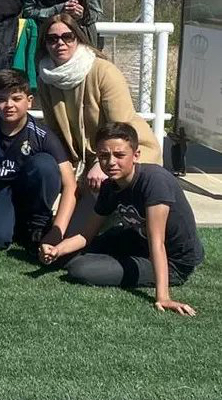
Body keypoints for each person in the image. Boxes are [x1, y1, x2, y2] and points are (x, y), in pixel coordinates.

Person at [40, 123, 204, 316]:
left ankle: (120, 264)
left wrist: (163, 297)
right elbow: (86, 234)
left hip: (173, 260)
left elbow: (157, 242)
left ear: (136, 155)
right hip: (137, 241)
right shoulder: (110, 186)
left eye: (119, 155)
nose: (110, 162)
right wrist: (57, 249)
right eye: (103, 156)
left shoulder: (154, 181)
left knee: (80, 269)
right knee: (64, 256)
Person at [34, 13, 161, 214]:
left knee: (88, 227)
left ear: (78, 38)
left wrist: (101, 165)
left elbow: (121, 130)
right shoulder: (45, 78)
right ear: (45, 44)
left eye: (67, 37)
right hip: (82, 164)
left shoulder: (104, 71)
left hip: (122, 153)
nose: (60, 43)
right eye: (52, 39)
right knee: (42, 166)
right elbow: (54, 133)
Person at [0, 69, 76, 252]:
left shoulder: (43, 135)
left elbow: (70, 184)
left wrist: (57, 232)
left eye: (16, 98)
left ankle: (36, 225)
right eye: (1, 99)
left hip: (28, 195)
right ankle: (11, 226)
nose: (9, 105)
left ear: (29, 101)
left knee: (45, 164)